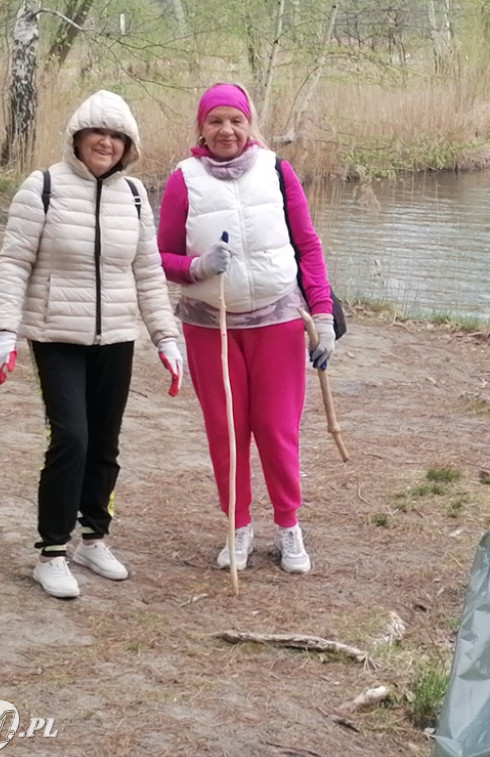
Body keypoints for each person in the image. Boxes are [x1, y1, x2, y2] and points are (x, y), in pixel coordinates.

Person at [0, 89, 184, 600]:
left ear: (128, 145)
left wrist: (166, 336)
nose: (107, 143)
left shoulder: (135, 195)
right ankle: (51, 552)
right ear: (77, 136)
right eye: (99, 132)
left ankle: (94, 537)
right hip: (56, 334)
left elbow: (148, 271)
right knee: (71, 437)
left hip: (116, 336)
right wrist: (4, 331)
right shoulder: (42, 186)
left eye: (118, 136)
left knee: (105, 442)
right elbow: (13, 262)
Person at [156, 82, 336, 575]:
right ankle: (238, 527)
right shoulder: (182, 180)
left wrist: (321, 315)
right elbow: (160, 257)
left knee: (276, 429)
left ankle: (288, 526)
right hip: (208, 325)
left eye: (235, 120)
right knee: (226, 430)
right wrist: (196, 266)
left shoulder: (277, 171)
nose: (226, 130)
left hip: (277, 318)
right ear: (201, 128)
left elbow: (308, 246)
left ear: (249, 124)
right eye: (215, 121)